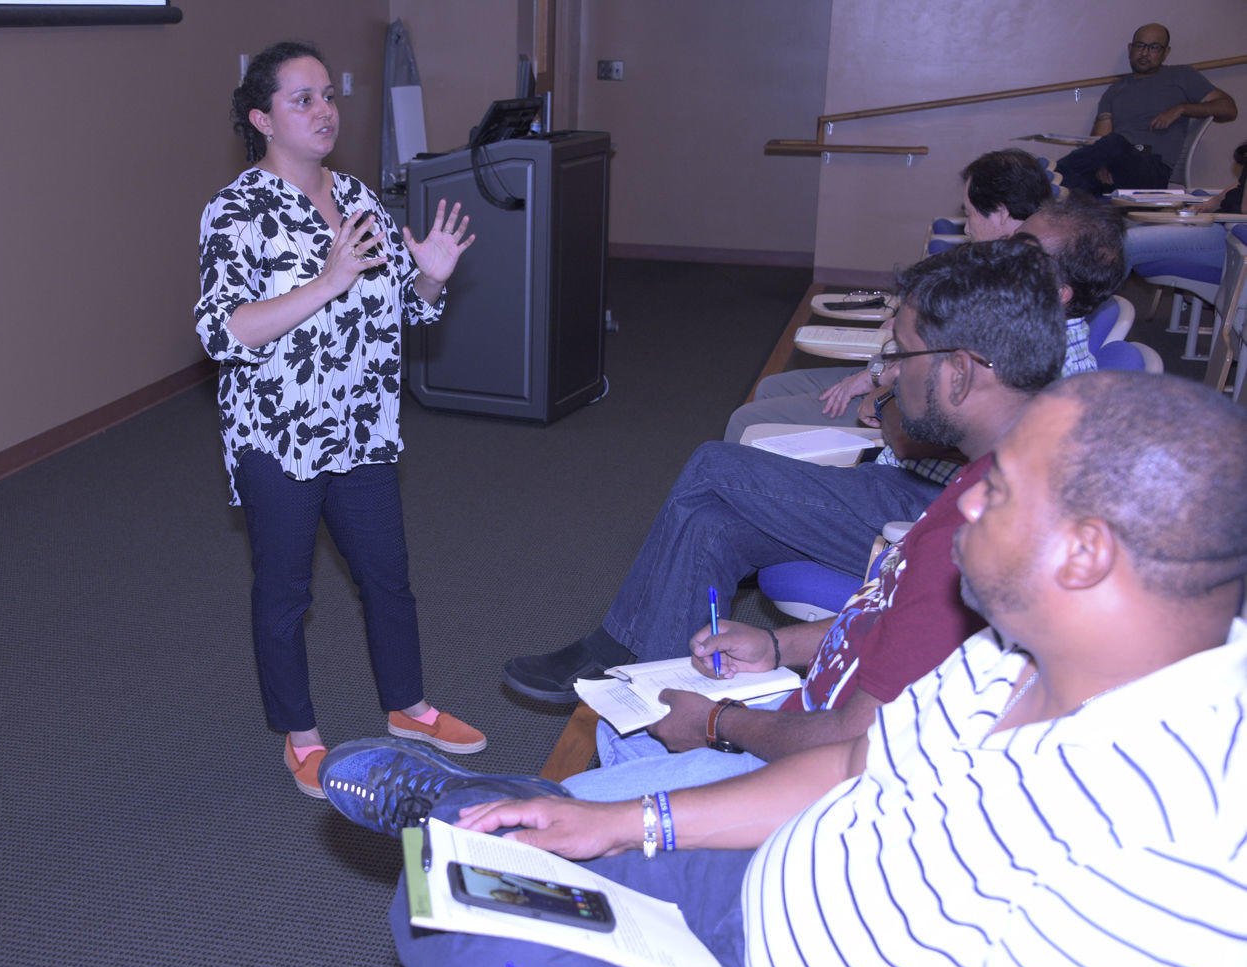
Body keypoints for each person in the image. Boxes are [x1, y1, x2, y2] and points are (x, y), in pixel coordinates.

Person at [321, 369, 1247, 967]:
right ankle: (495, 807)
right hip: (765, 885)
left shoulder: (1174, 850)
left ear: (1085, 554)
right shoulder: (1024, 640)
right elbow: (857, 765)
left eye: (998, 489)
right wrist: (629, 824)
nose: (962, 502)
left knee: (455, 924)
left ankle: (482, 801)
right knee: (468, 869)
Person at [502, 204, 1124, 704]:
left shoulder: (1045, 376)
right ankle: (660, 690)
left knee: (713, 465)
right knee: (711, 523)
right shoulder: (1020, 342)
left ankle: (620, 651)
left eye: (1027, 249)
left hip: (914, 507)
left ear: (1063, 292)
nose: (1009, 245)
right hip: (902, 485)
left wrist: (887, 399)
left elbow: (908, 434)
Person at [560, 236, 1066, 801]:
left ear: (961, 375)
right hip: (825, 710)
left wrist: (715, 724)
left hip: (828, 772)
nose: (890, 374)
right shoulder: (1001, 471)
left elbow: (853, 746)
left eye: (900, 355)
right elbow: (898, 621)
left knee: (568, 807)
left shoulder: (980, 530)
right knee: (624, 728)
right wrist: (780, 648)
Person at [193, 41, 483, 798]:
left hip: (361, 429)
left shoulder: (357, 197)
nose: (326, 112)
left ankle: (409, 707)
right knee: (286, 592)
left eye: (328, 96)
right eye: (304, 100)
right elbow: (226, 332)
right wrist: (326, 281)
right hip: (279, 438)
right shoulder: (234, 212)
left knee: (389, 578)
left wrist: (429, 277)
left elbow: (394, 314)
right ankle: (302, 734)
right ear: (262, 118)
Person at [724, 148, 1054, 443]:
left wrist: (876, 382)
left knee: (746, 420)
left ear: (1000, 212)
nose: (966, 228)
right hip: (898, 379)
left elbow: (945, 378)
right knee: (769, 388)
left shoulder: (1013, 284)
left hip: (904, 403)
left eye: (969, 214)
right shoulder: (1009, 262)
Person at [1057, 23, 1237, 197]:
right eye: (1140, 46)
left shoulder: (1182, 76)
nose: (1144, 53)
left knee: (1115, 143)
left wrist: (1182, 109)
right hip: (1114, 167)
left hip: (1151, 169)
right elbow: (1099, 142)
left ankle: (1048, 175)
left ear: (1166, 53)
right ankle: (1045, 183)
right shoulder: (1114, 91)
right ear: (1130, 49)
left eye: (1154, 47)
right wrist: (1101, 165)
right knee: (1074, 186)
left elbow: (1228, 108)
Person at [1125, 138, 1247, 279]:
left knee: (1126, 244)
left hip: (1234, 241)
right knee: (1117, 238)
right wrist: (1213, 202)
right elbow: (1239, 184)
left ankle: (1102, 299)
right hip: (1223, 225)